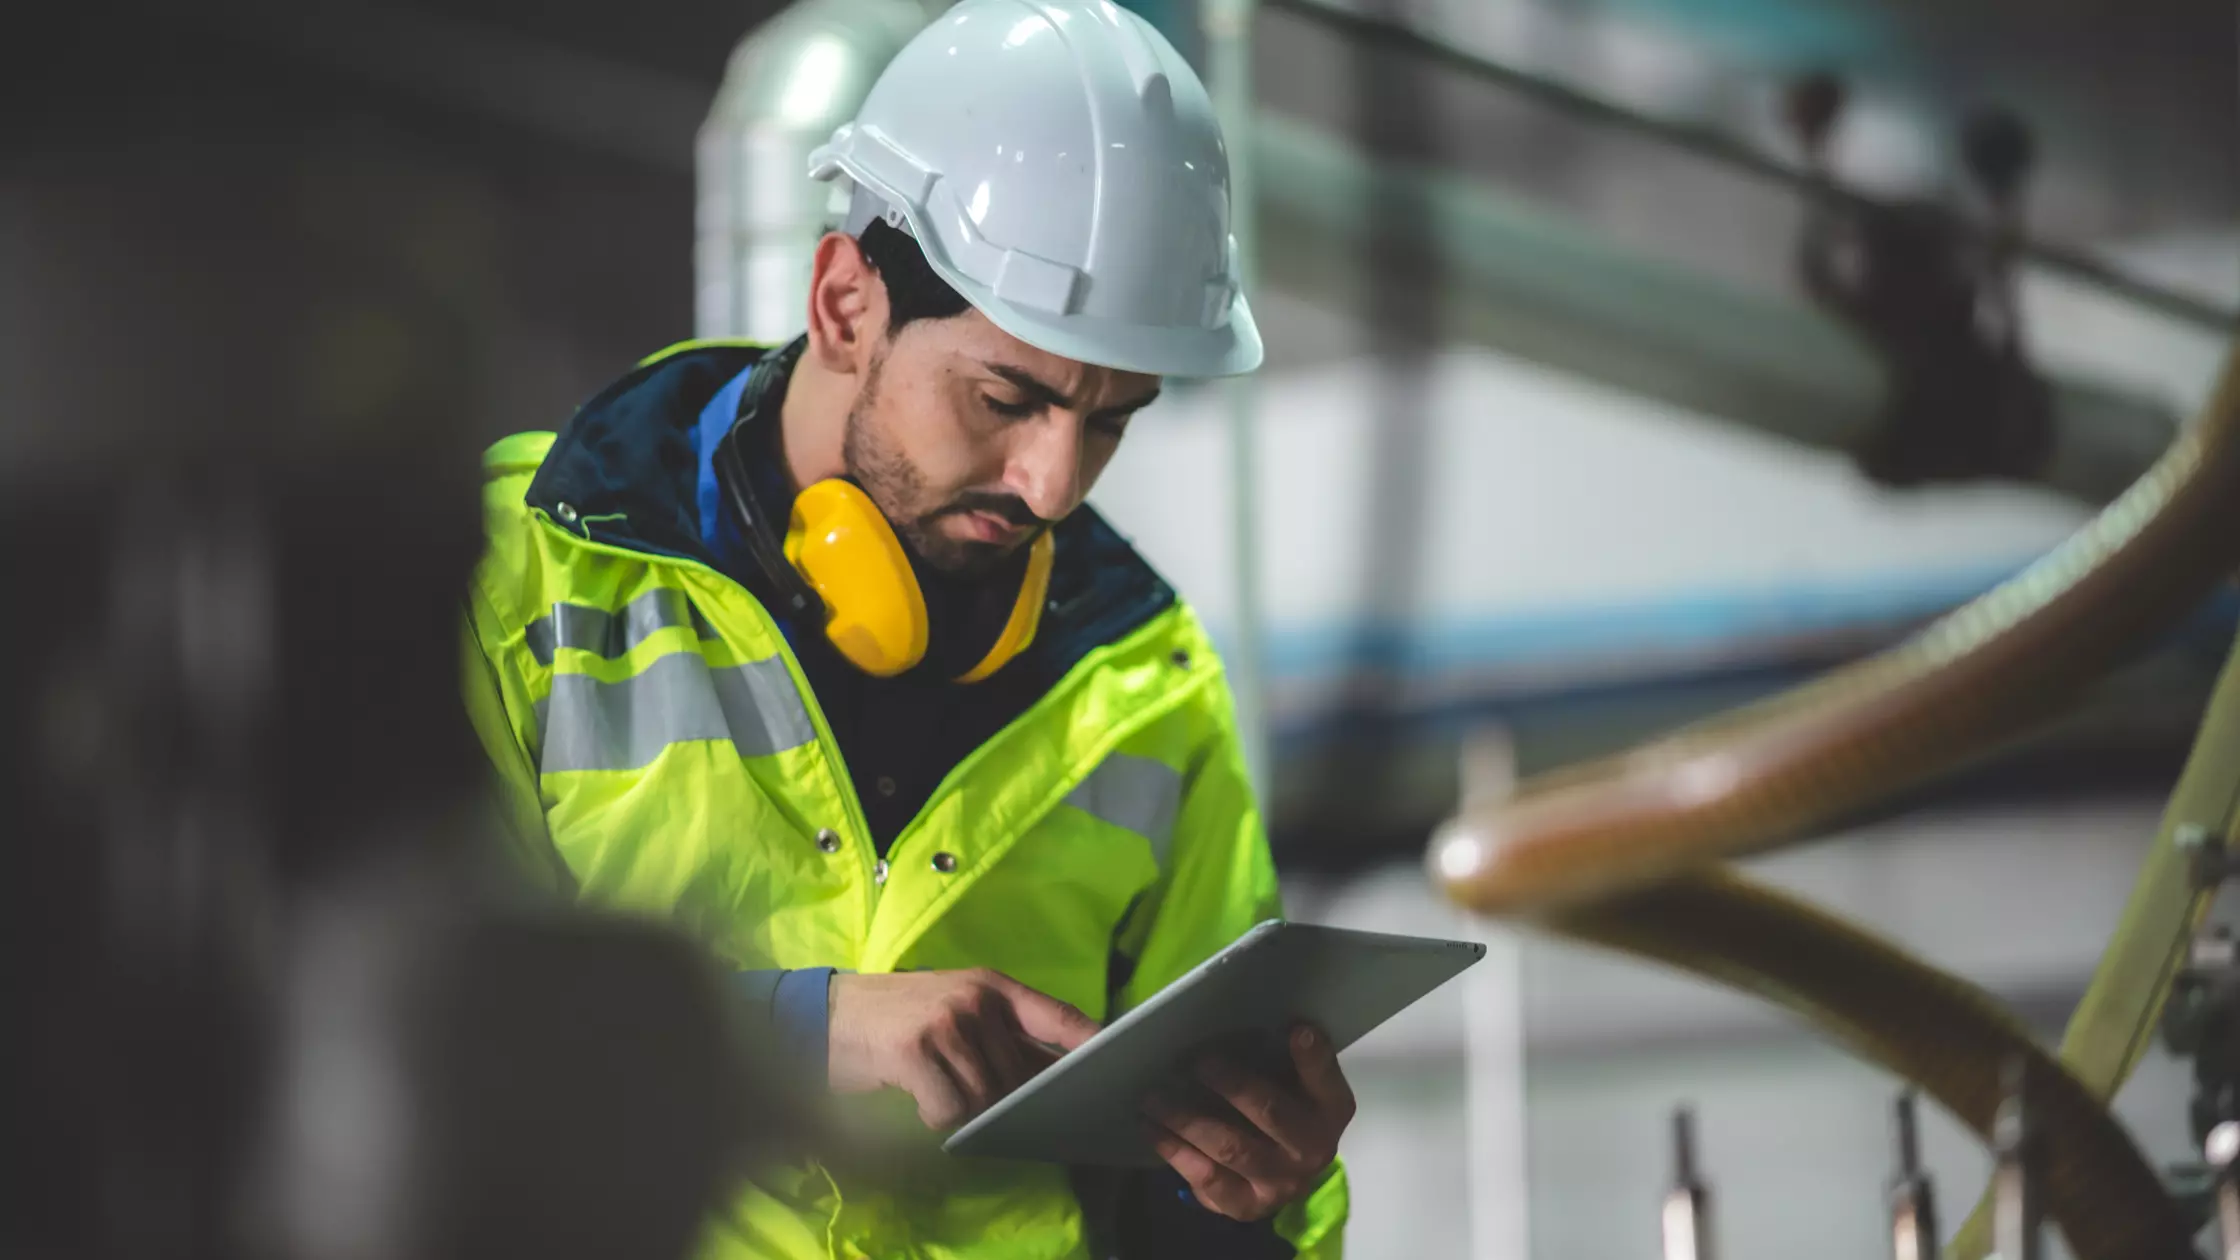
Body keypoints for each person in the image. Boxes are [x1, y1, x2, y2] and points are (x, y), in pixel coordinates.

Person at [460, 1, 1351, 1255]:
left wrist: (1249, 1194)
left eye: (1110, 420)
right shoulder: (528, 580)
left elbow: (1201, 1217)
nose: (1052, 483)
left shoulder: (1139, 681)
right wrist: (803, 1032)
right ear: (843, 305)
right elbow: (394, 1058)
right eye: (1007, 396)